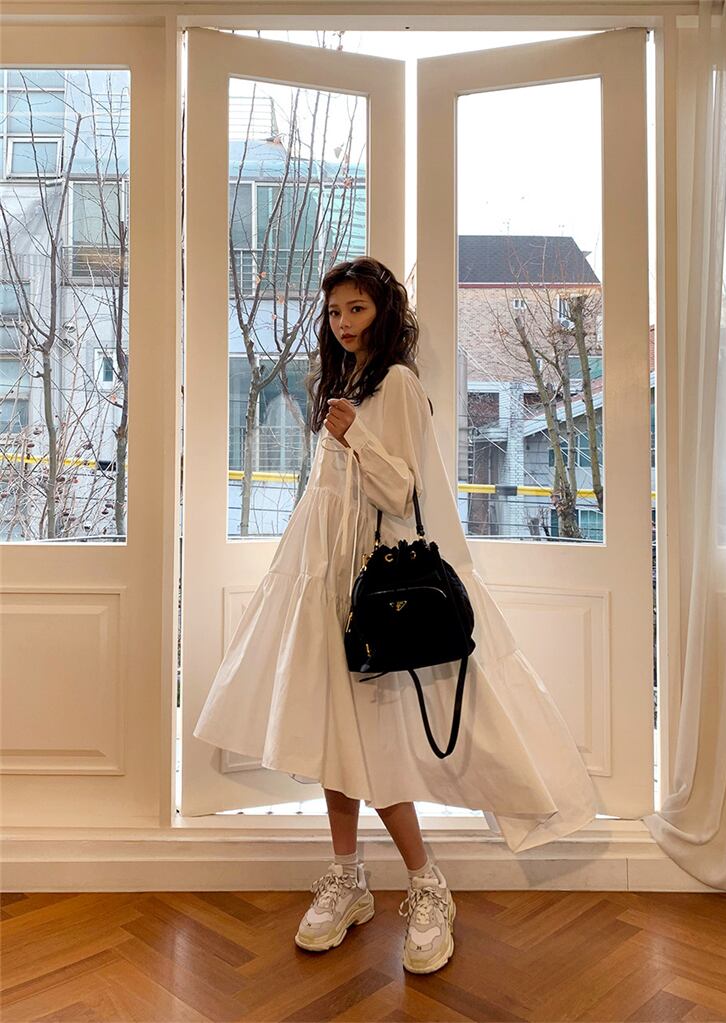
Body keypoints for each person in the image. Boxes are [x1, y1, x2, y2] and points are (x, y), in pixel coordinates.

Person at [193, 255, 597, 975]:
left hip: (369, 583)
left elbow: (404, 489)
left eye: (357, 309)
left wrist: (355, 434)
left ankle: (425, 883)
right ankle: (347, 876)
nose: (343, 323)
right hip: (318, 577)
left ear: (384, 312)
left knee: (374, 743)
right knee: (329, 735)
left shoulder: (398, 384)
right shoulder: (341, 382)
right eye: (335, 312)